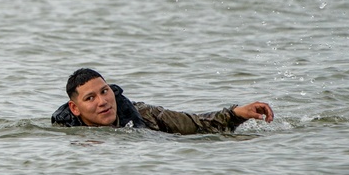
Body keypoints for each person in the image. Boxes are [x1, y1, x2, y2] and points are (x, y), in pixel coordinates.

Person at [51, 68, 274, 134]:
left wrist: (237, 113)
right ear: (74, 108)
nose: (103, 102)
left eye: (105, 91)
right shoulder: (64, 133)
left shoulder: (146, 115)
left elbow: (196, 123)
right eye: (90, 98)